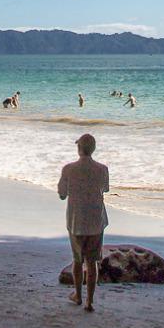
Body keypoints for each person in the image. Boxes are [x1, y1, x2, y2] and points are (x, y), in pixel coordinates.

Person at [57, 133, 110, 313]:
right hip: (96, 220)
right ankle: (90, 301)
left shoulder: (68, 169)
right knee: (93, 261)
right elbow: (105, 189)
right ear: (93, 149)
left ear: (78, 148)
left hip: (76, 220)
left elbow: (62, 194)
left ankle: (78, 295)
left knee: (77, 260)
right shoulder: (102, 169)